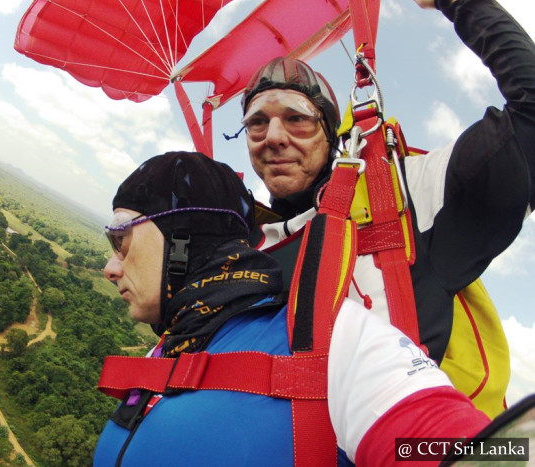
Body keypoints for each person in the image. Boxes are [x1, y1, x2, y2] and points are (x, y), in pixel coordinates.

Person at [93, 151, 496, 466]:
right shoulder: (172, 346)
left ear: (182, 239)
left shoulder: (333, 341)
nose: (110, 268)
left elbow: (484, 453)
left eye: (120, 239)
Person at [242, 0, 535, 417]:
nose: (273, 136)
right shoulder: (247, 242)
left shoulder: (406, 195)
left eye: (297, 118)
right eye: (257, 121)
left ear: (330, 134)